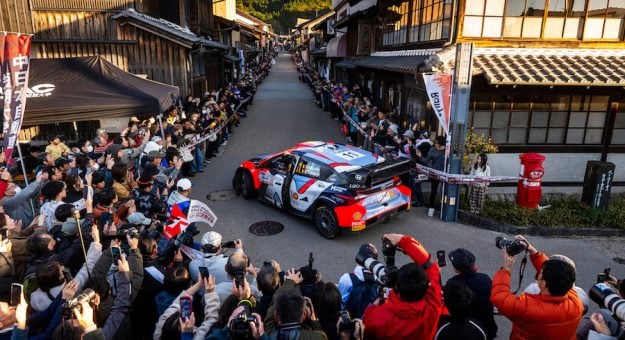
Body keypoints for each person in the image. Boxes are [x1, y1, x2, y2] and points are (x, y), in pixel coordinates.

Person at [491, 235, 583, 339]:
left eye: (540, 273)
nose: (539, 273)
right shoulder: (575, 301)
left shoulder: (527, 308)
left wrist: (506, 269)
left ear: (543, 284)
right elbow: (555, 273)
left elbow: (499, 296)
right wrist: (532, 251)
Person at [362, 233, 442, 339]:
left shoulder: (379, 316)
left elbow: (365, 328)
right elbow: (429, 267)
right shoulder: (433, 308)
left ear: (397, 288)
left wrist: (375, 305)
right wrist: (404, 241)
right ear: (426, 287)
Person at [446, 248, 497, 339]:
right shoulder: (485, 278)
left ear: (456, 268)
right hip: (488, 327)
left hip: (467, 330)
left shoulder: (453, 285)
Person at [420, 135, 446, 210]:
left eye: (437, 143)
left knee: (444, 190)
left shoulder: (447, 150)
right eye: (435, 143)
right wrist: (420, 156)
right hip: (435, 172)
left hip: (445, 173)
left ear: (441, 143)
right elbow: (426, 161)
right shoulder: (432, 149)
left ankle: (442, 205)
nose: (435, 144)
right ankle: (431, 206)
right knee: (433, 190)